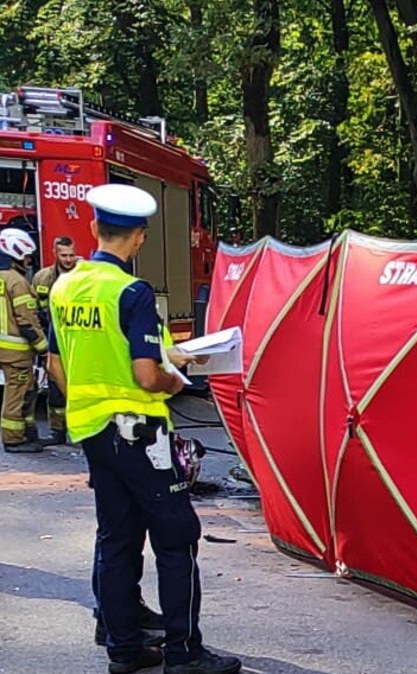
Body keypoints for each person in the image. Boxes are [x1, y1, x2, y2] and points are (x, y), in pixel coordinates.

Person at [46, 183, 241, 674]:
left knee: (117, 536)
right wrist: (179, 379)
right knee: (177, 535)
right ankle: (184, 653)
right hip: (140, 433)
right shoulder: (131, 293)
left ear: (93, 229)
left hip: (92, 429)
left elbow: (55, 364)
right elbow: (147, 374)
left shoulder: (63, 286)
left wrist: (92, 401)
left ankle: (124, 648)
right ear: (139, 239)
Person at [0, 227, 48, 453]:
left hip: (5, 348)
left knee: (27, 388)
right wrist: (44, 348)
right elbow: (27, 321)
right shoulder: (17, 281)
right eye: (27, 256)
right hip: (16, 351)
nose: (29, 260)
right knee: (17, 390)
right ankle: (13, 439)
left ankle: (27, 432)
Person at [33, 235, 78, 445]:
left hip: (79, 339)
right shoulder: (42, 278)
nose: (68, 260)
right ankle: (57, 431)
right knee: (55, 387)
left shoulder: (83, 275)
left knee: (80, 386)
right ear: (55, 253)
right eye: (64, 255)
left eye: (71, 255)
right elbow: (34, 312)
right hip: (54, 337)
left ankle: (80, 430)